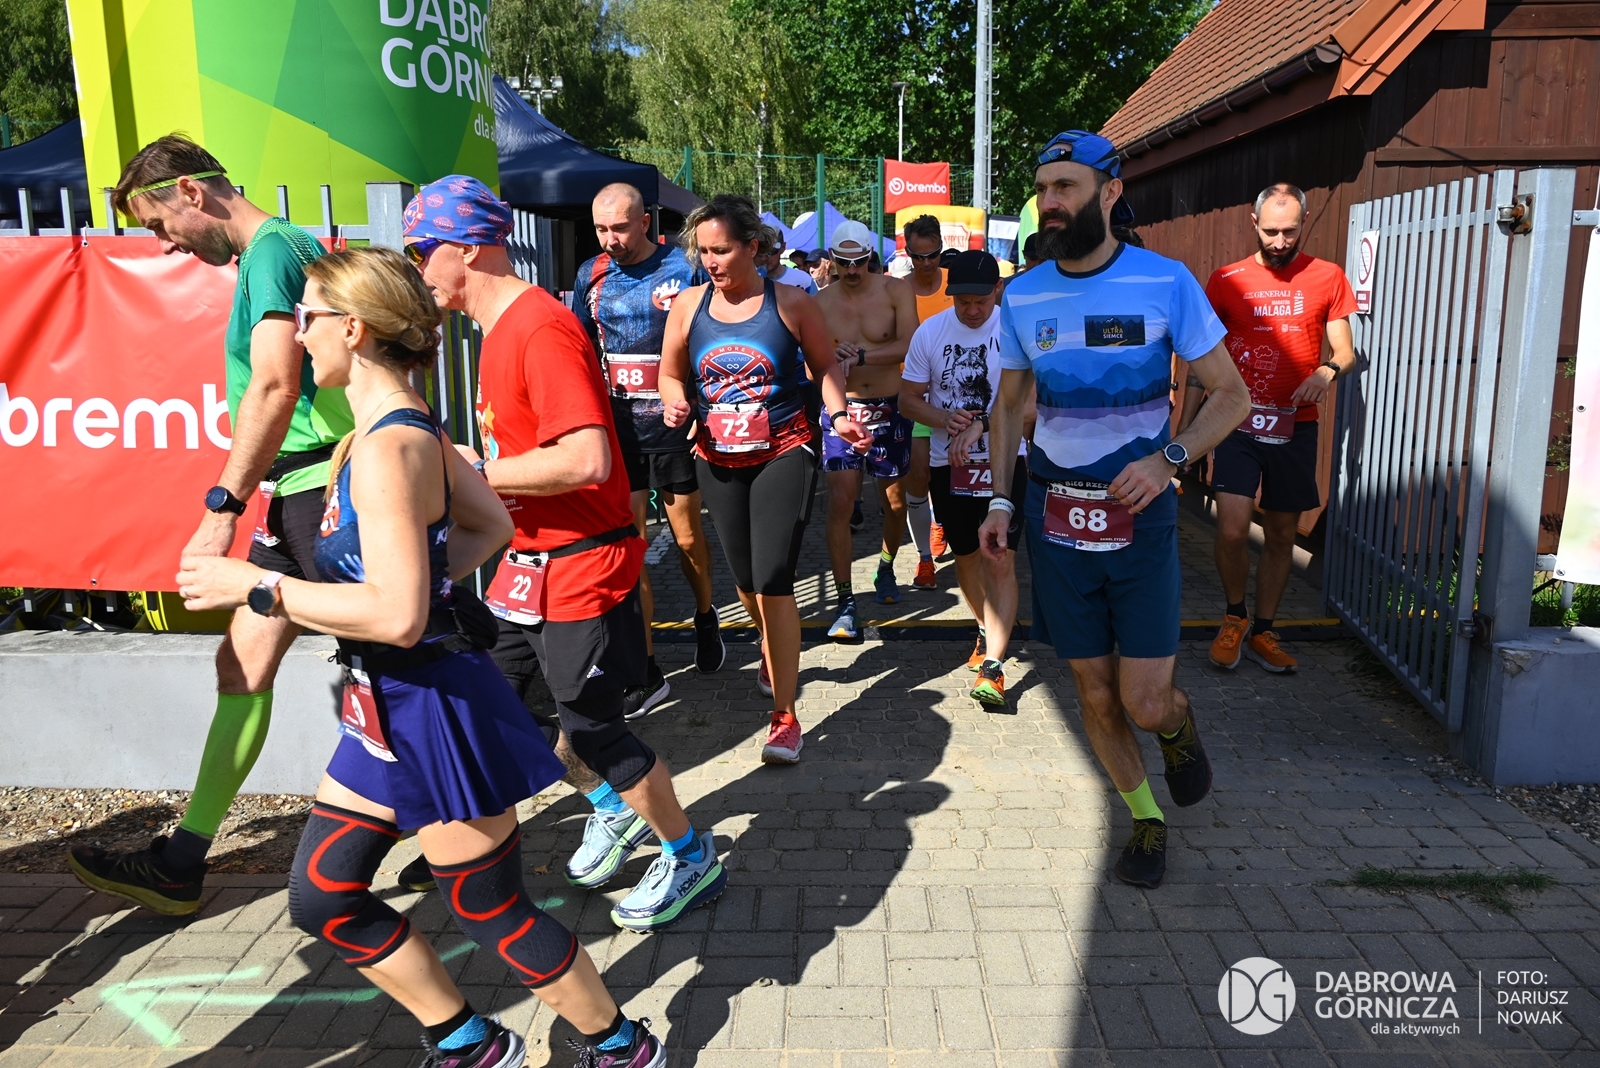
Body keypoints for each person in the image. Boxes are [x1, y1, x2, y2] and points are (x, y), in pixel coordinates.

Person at [169, 246, 664, 1068]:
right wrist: (421, 589)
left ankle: (620, 1047)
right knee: (324, 895)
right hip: (383, 707)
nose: (299, 334)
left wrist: (258, 587)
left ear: (353, 330)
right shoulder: (392, 430)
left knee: (493, 911)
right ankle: (469, 1041)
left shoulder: (390, 446)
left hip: (431, 709)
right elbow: (490, 526)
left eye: (310, 318)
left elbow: (398, 617)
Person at [408, 176, 724, 930]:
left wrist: (470, 474)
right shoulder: (497, 331)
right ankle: (612, 806)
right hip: (529, 563)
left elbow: (585, 460)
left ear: (468, 249)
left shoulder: (539, 328)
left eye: (423, 251)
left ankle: (690, 855)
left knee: (593, 729)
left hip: (583, 562)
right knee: (494, 700)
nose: (417, 270)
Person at [67, 135, 365, 916]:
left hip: (320, 491)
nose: (164, 242)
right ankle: (180, 863)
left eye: (159, 223)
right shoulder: (275, 253)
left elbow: (275, 383)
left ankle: (484, 830)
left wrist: (221, 509)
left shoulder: (273, 252)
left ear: (193, 194)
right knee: (241, 665)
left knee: (403, 669)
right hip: (295, 489)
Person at [978, 131, 1250, 890]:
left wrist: (1169, 460)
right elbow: (1009, 409)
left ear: (1110, 191)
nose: (1050, 201)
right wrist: (1000, 499)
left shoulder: (1164, 282)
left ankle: (1177, 724)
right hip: (1056, 519)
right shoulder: (1023, 294)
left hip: (1140, 520)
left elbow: (1231, 395)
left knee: (1144, 698)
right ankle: (1145, 818)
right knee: (1094, 692)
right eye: (1043, 188)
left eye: (1065, 186)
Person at [658, 195, 868, 764]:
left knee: (774, 578)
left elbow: (824, 365)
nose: (711, 262)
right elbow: (670, 373)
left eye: (722, 250)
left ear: (753, 247)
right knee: (746, 581)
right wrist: (675, 401)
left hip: (784, 450)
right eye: (703, 252)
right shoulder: (688, 306)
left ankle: (785, 716)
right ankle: (774, 647)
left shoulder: (792, 302)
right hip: (717, 456)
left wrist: (840, 417)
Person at [1185, 182, 1357, 674]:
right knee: (1232, 529)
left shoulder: (1328, 276)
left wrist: (1326, 372)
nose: (1280, 241)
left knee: (1281, 534)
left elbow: (1345, 352)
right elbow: (1200, 359)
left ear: (1304, 222)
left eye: (1291, 231)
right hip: (1237, 422)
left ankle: (1263, 629)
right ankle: (1234, 616)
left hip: (1294, 426)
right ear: (1254, 223)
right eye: (1271, 231)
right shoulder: (1227, 280)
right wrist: (1186, 432)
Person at [575, 182, 724, 720]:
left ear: (645, 222)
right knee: (631, 544)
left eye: (619, 227)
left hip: (673, 429)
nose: (609, 239)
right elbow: (582, 348)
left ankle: (705, 614)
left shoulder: (683, 268)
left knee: (686, 538)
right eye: (601, 229)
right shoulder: (590, 274)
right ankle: (647, 667)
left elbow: (709, 337)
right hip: (619, 432)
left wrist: (702, 406)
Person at [900, 250, 1032, 705]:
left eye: (980, 301)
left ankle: (994, 665)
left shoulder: (1016, 331)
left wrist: (984, 424)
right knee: (967, 556)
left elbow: (1031, 406)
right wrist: (945, 419)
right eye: (963, 302)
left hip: (1005, 463)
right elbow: (908, 400)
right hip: (950, 466)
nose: (972, 311)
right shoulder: (930, 332)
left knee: (1000, 558)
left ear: (998, 290)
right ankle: (983, 626)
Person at [813, 220, 919, 639]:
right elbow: (812, 366)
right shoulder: (820, 302)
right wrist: (830, 358)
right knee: (841, 502)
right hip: (843, 409)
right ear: (833, 261)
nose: (853, 270)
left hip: (890, 407)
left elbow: (909, 343)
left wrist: (859, 356)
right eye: (844, 263)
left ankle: (887, 567)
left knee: (893, 502)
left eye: (859, 262)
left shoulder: (896, 291)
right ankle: (844, 600)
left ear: (871, 257)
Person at [900, 214, 955, 592]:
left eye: (932, 255)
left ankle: (944, 522)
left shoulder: (956, 283)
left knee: (952, 476)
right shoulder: (898, 290)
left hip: (957, 395)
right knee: (918, 474)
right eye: (918, 256)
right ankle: (924, 560)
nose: (926, 263)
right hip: (915, 395)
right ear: (907, 253)